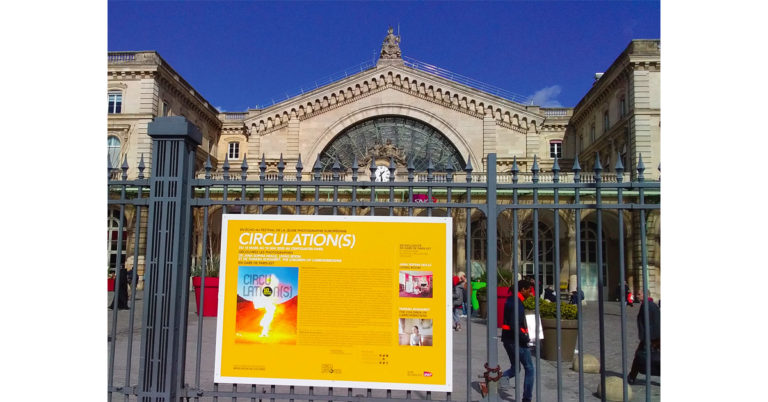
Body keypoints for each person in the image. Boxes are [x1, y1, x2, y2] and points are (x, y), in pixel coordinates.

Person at [500, 280, 535, 402]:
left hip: (507, 339)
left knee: (515, 368)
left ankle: (494, 384)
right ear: (523, 290)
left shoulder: (510, 300)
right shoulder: (518, 303)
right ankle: (527, 398)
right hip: (516, 341)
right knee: (529, 368)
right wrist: (525, 338)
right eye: (529, 290)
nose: (530, 293)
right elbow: (514, 324)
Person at [628, 297, 660, 384]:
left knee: (639, 355)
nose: (637, 295)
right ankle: (632, 376)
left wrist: (647, 337)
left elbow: (652, 322)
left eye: (639, 293)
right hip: (653, 336)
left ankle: (632, 377)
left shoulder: (649, 306)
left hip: (652, 336)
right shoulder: (648, 305)